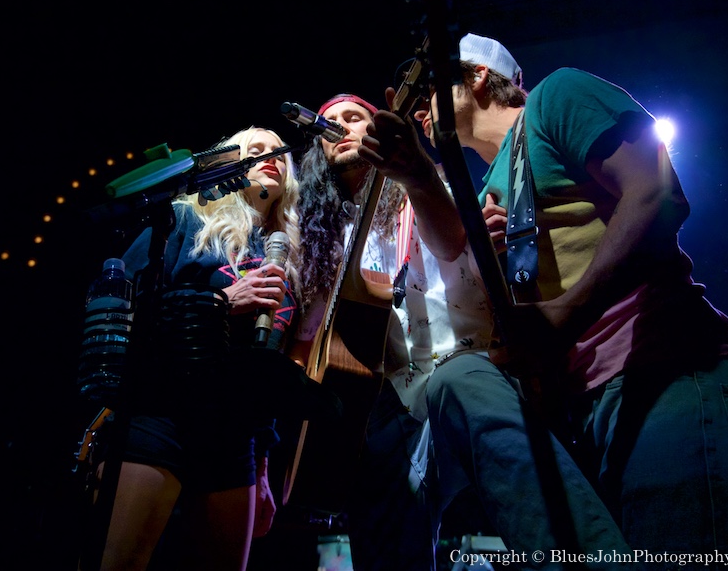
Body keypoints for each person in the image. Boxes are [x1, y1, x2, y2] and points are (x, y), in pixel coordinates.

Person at [414, 32, 728, 566]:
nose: (421, 103)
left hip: (661, 371)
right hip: (576, 410)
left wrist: (566, 310)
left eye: (432, 86)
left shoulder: (559, 95)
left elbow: (657, 193)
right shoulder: (488, 189)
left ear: (479, 76)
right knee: (456, 385)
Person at [291, 92, 631, 570]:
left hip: (464, 369)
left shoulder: (426, 190)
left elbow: (451, 240)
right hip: (384, 398)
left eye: (355, 118)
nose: (343, 128)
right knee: (388, 546)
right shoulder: (316, 228)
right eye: (330, 124)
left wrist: (420, 181)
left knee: (524, 490)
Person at [81, 127, 303, 571]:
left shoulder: (290, 256)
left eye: (277, 150)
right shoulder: (183, 221)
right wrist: (222, 302)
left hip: (236, 433)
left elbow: (267, 371)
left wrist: (261, 465)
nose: (269, 156)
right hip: (160, 412)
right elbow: (119, 309)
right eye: (253, 149)